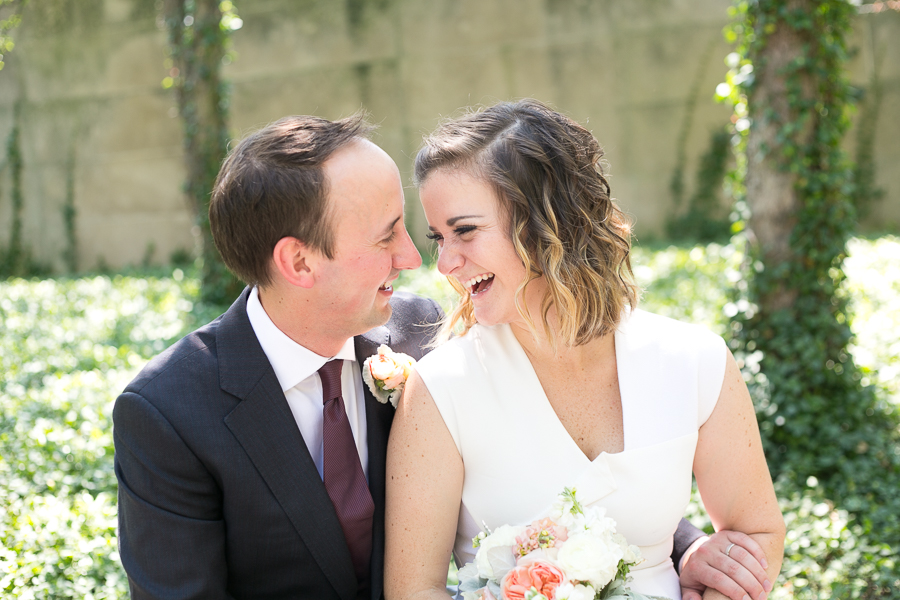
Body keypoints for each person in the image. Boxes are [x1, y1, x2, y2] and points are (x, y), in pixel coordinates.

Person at [384, 100, 785, 600]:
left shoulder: (694, 361)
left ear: (550, 220)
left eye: (464, 231)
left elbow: (757, 533)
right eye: (438, 237)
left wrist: (725, 584)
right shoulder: (441, 390)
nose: (444, 263)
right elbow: (413, 591)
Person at [113, 114, 442, 599]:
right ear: (299, 262)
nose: (412, 257)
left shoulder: (420, 332)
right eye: (386, 235)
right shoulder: (167, 413)